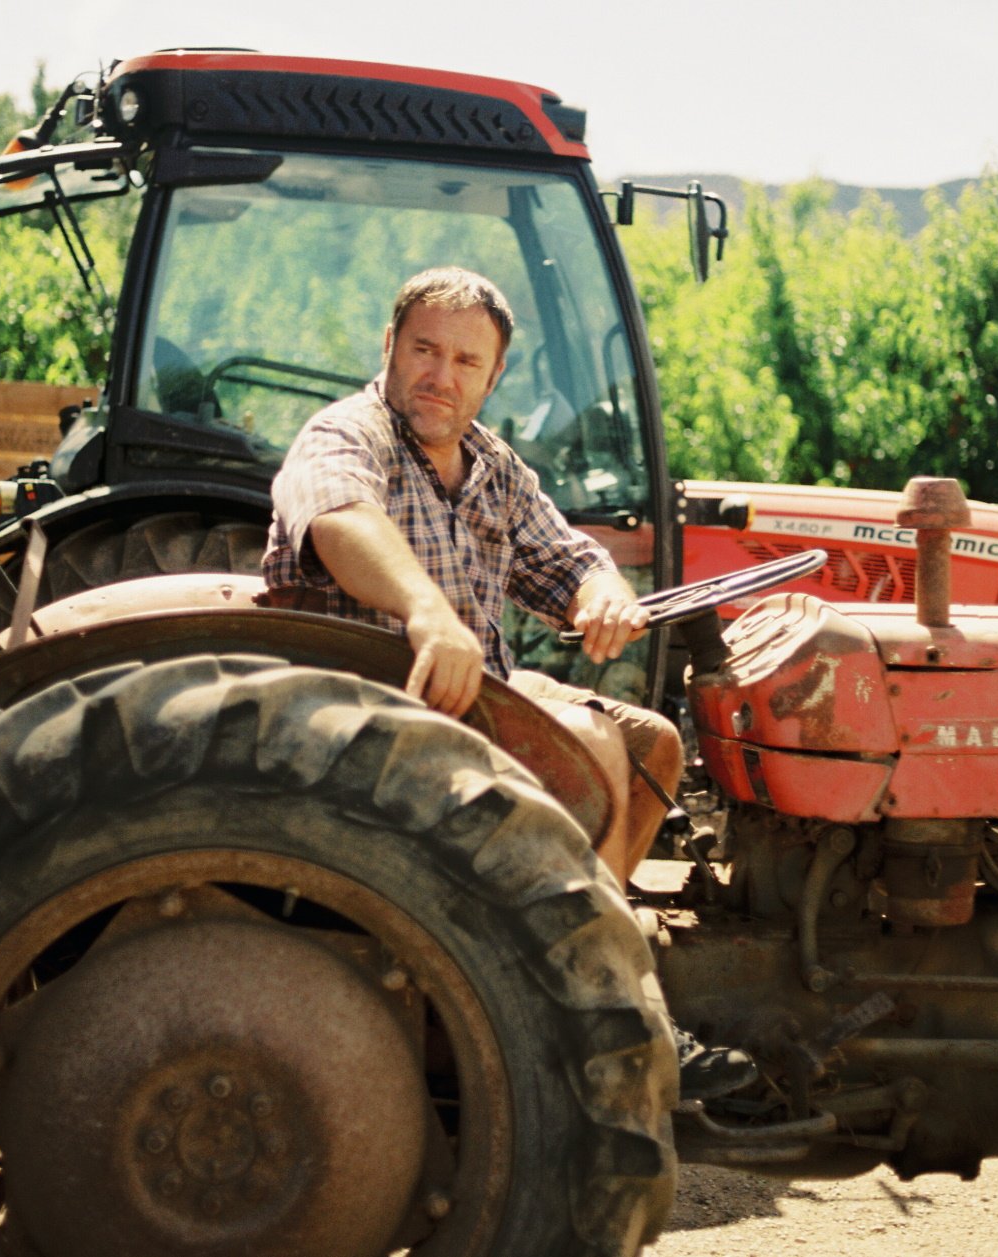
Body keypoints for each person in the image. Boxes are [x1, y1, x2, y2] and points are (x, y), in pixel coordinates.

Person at [263, 266, 755, 1099]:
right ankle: (571, 1014)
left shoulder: (492, 467)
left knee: (651, 744)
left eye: (464, 361)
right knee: (591, 743)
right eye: (424, 349)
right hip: (365, 714)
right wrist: (424, 607)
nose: (439, 375)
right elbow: (340, 517)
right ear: (390, 347)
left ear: (493, 379)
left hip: (471, 701)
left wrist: (602, 593)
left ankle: (574, 972)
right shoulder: (347, 436)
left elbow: (569, 561)